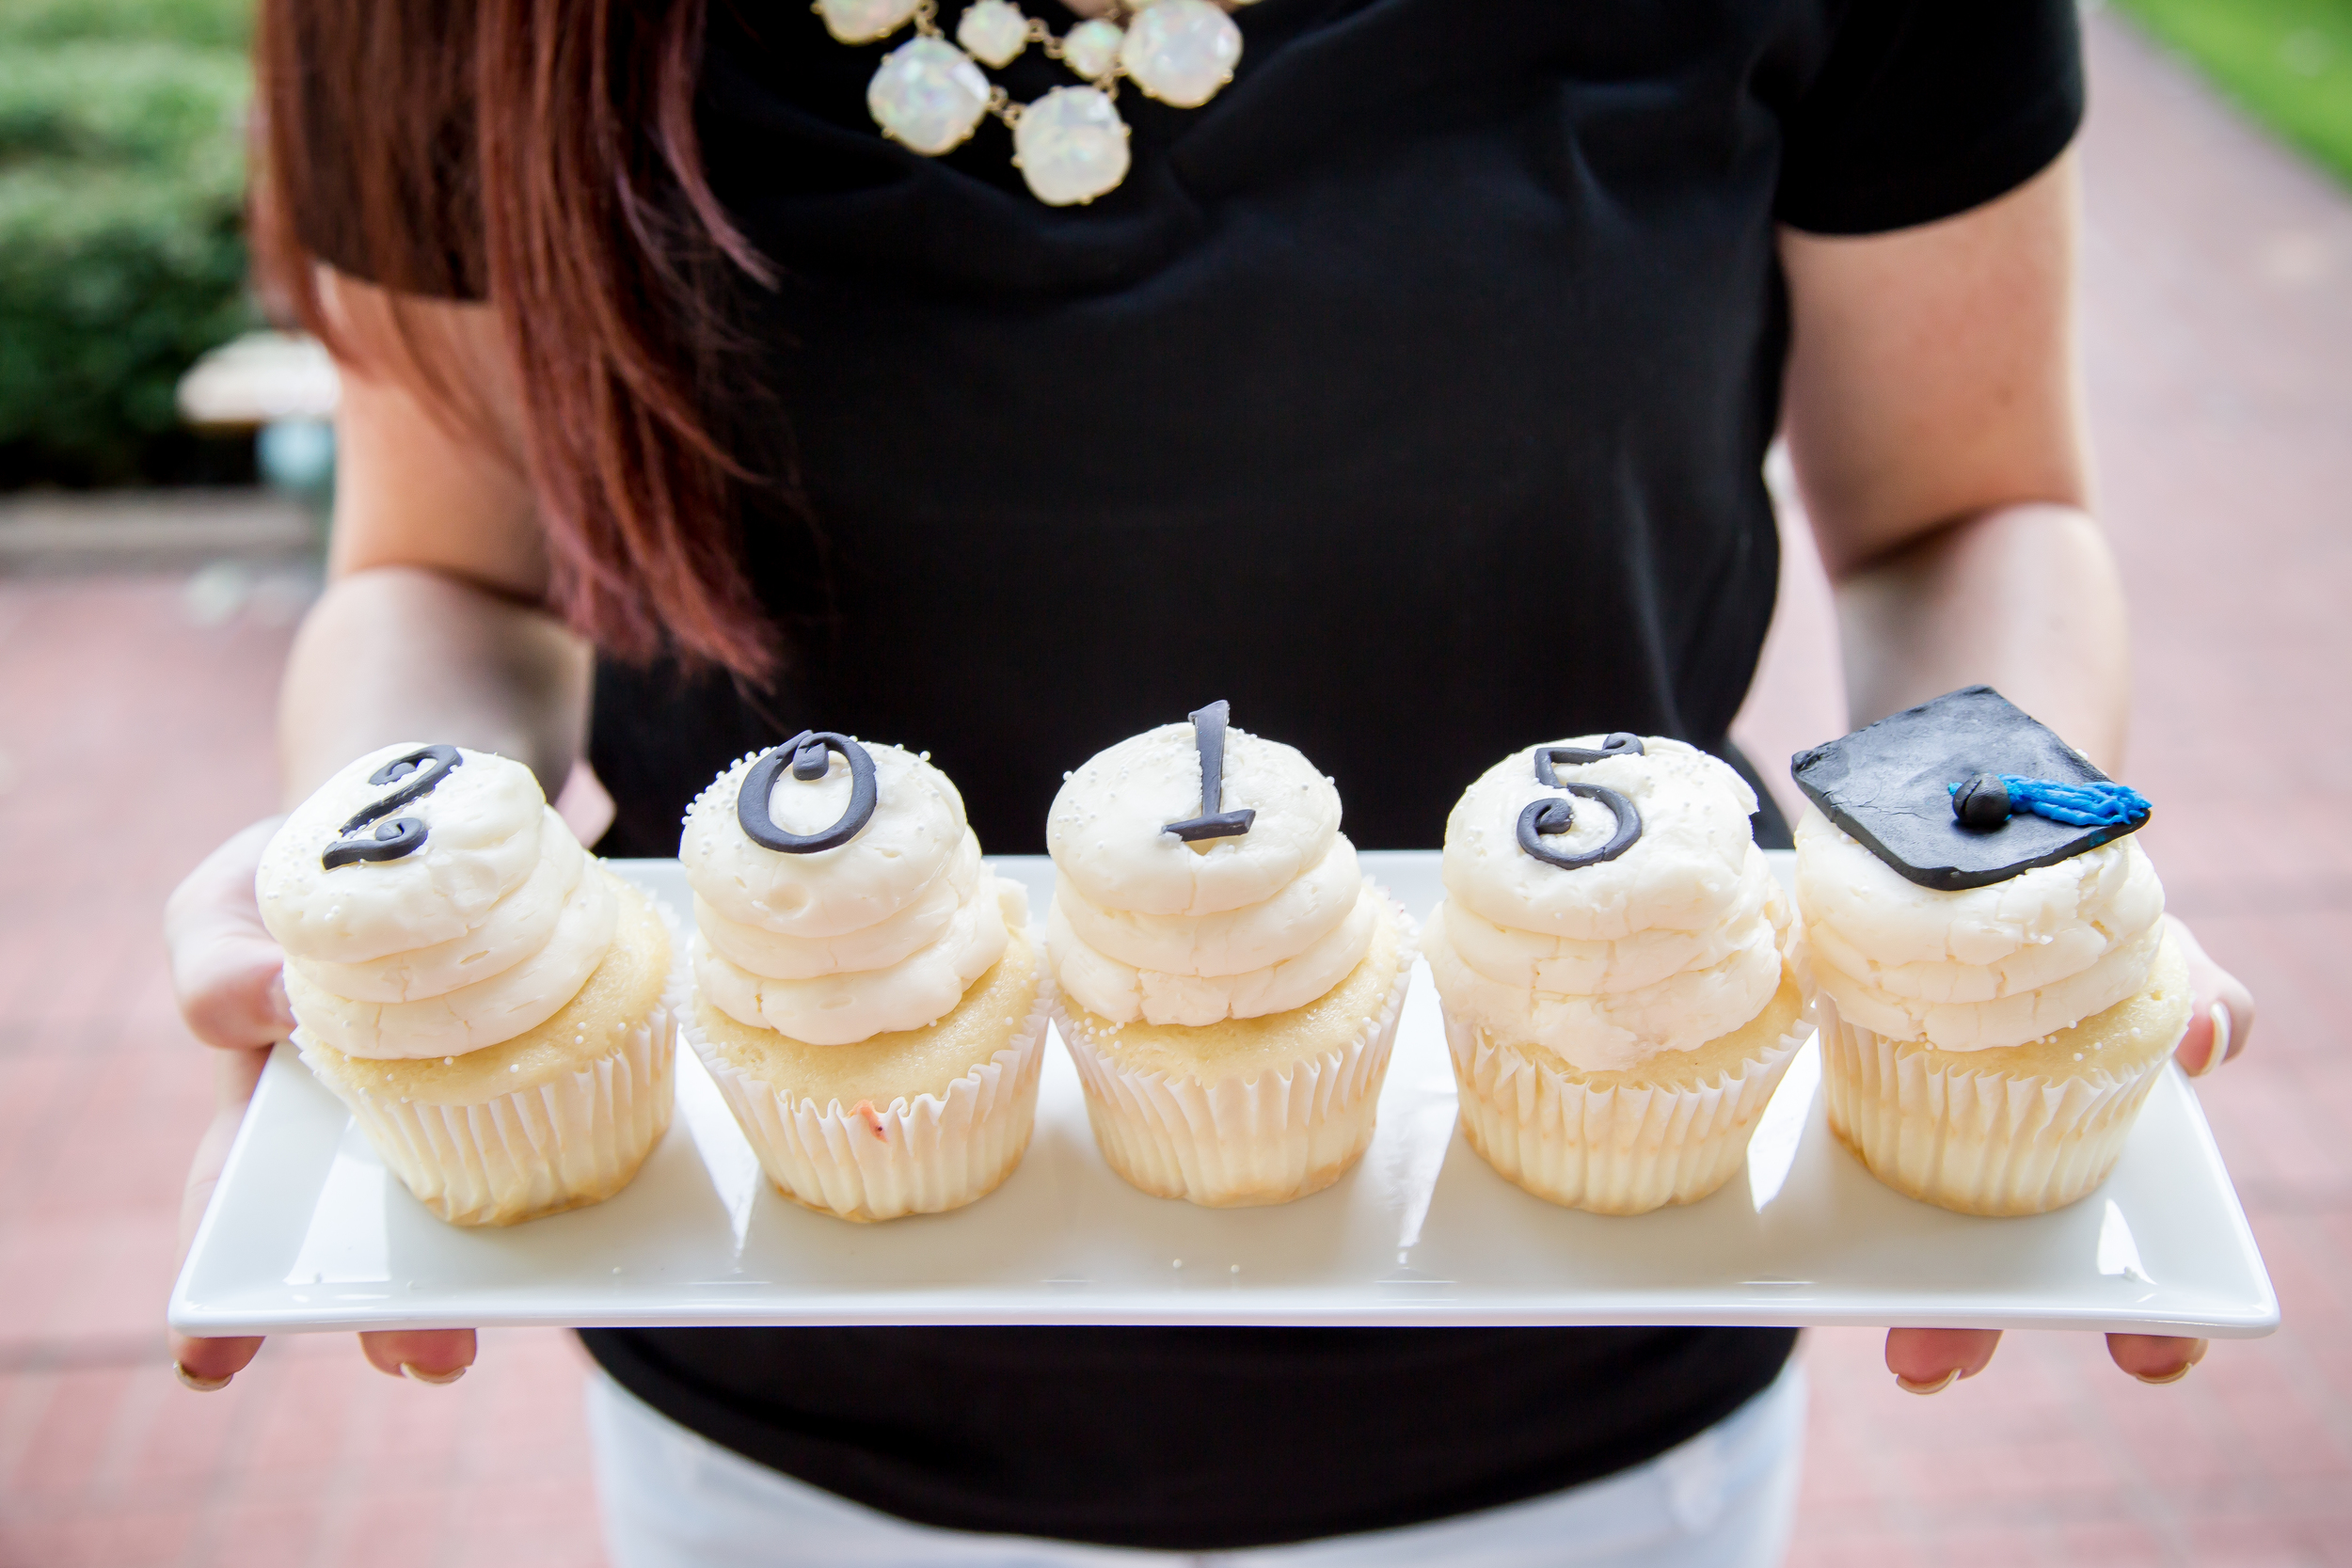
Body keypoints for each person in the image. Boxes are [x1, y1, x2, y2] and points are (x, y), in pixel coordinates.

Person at [166, 0, 2257, 1562]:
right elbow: (444, 567)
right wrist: (385, 916)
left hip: (1590, 1402)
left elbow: (1957, 514)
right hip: (783, 1418)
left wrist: (1998, 894)